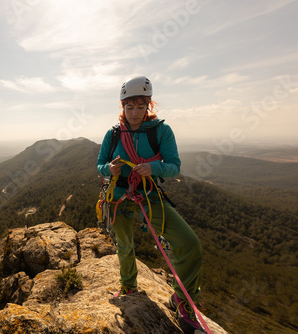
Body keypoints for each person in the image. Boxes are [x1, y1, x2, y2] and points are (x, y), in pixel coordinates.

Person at [96, 76, 206, 334]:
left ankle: (182, 299)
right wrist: (109, 169)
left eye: (140, 107)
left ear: (149, 106)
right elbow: (100, 164)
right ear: (122, 107)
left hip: (148, 194)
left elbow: (174, 166)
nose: (134, 113)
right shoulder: (113, 134)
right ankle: (129, 286)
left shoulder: (160, 131)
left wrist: (153, 167)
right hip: (119, 195)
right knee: (124, 245)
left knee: (189, 244)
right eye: (129, 107)